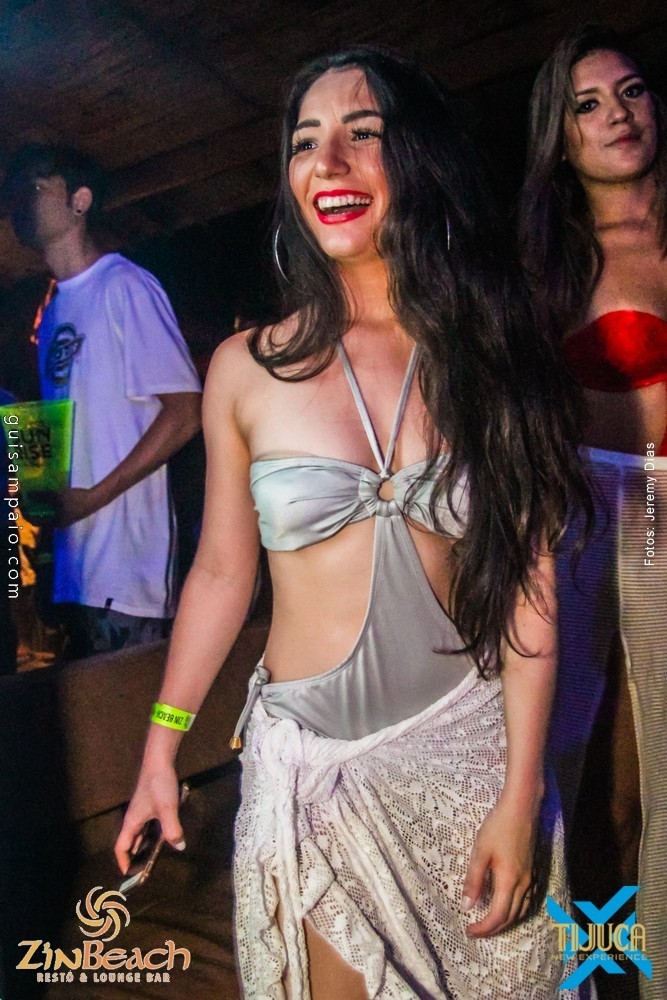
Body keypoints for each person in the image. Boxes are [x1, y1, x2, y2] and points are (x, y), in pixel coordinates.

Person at [116, 48, 592, 998]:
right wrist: (162, 742)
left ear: (416, 157)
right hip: (311, 775)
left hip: (464, 758)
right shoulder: (244, 368)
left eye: (361, 133)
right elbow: (220, 572)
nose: (326, 162)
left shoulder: (490, 349)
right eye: (304, 142)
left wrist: (520, 790)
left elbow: (530, 586)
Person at [520, 25, 666, 999]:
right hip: (575, 513)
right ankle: (567, 975)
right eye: (586, 104)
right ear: (560, 137)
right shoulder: (544, 262)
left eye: (631, 91)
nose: (616, 114)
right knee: (564, 767)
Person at [1, 144, 202, 659]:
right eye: (15, 191)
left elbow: (185, 412)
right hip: (74, 568)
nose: (22, 200)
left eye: (36, 186)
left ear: (80, 200)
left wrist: (92, 496)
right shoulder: (53, 311)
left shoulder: (124, 286)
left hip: (127, 570)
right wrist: (39, 488)